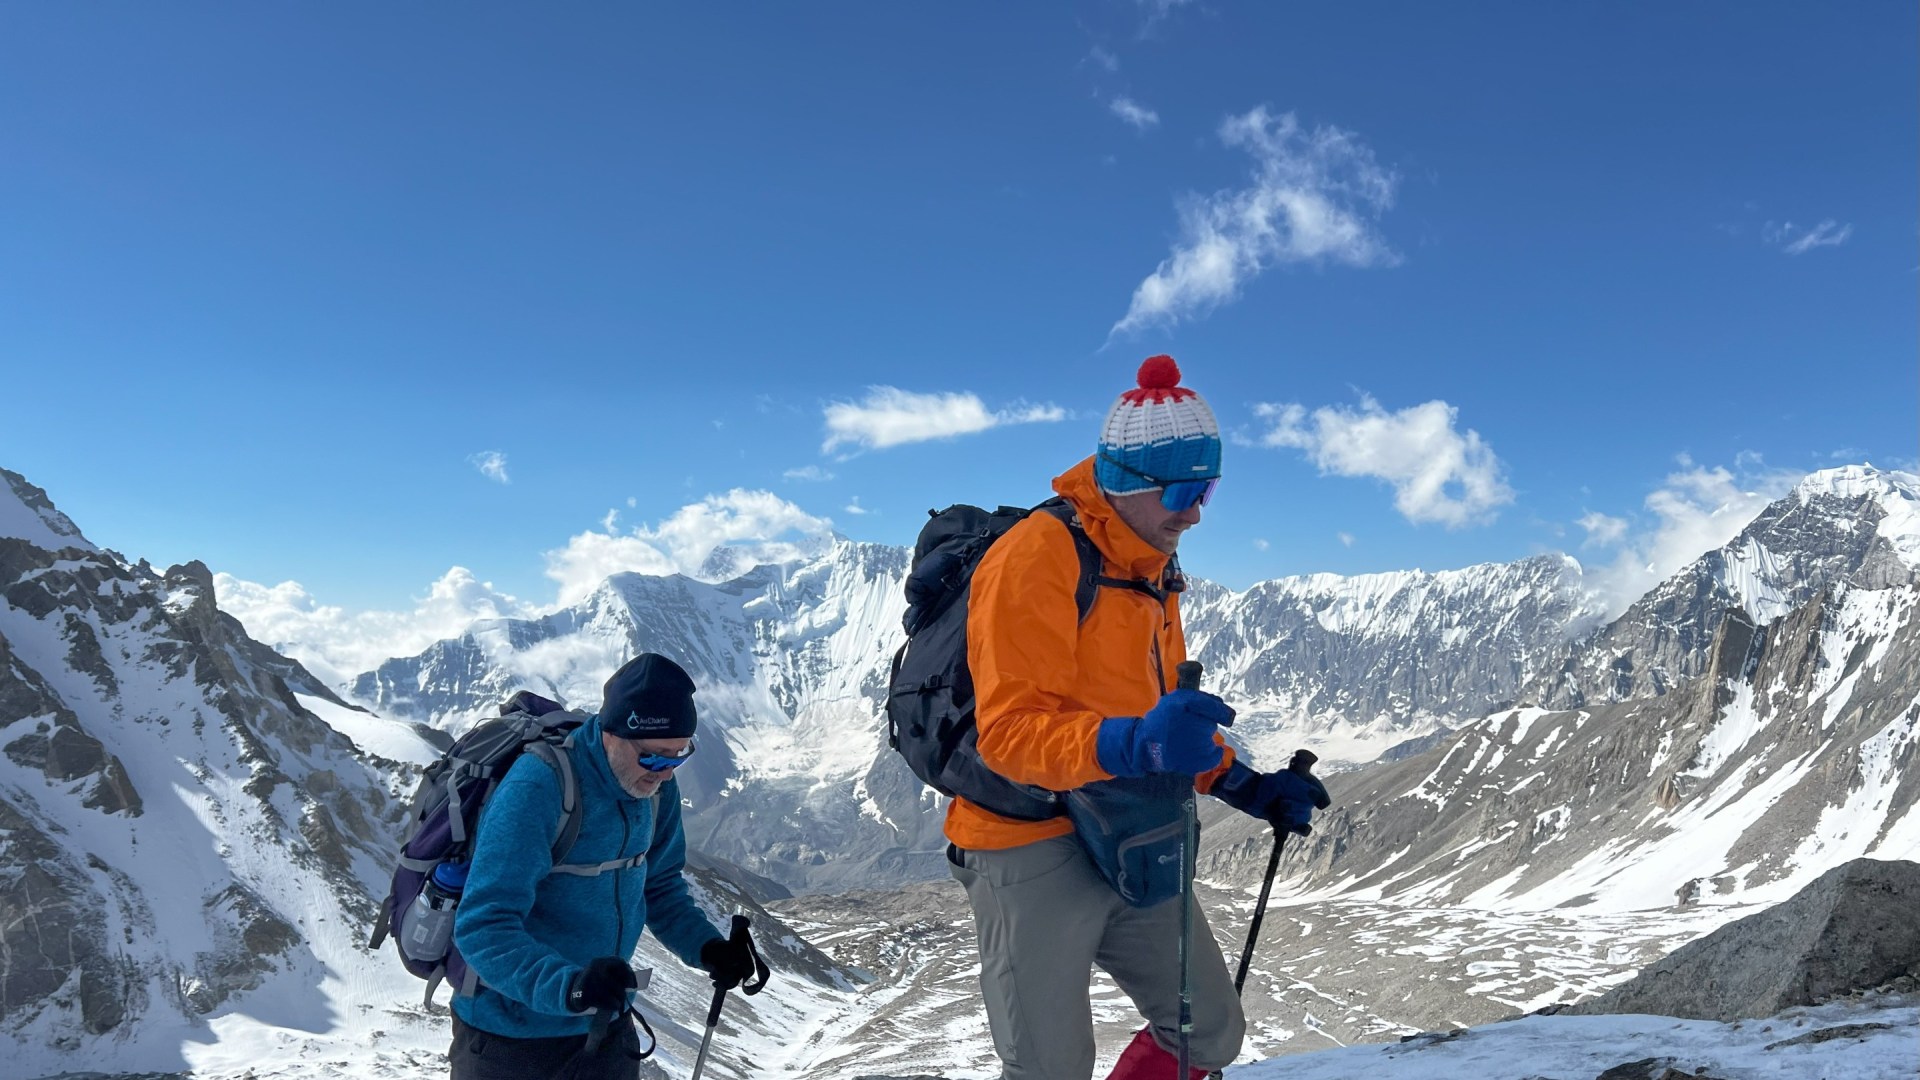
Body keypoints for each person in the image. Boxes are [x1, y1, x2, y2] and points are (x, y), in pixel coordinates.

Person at [948, 355, 1329, 1080]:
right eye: (1187, 490)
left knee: (1209, 1033)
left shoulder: (1152, 565)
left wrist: (1243, 785)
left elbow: (1158, 723)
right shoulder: (1036, 557)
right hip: (1028, 834)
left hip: (1127, 822)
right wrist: (1137, 745)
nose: (1197, 511)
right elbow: (1008, 736)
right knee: (1049, 1069)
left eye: (1208, 488)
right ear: (1128, 482)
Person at [447, 653, 764, 1080]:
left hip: (605, 1025)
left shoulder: (653, 790)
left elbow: (661, 886)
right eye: (654, 757)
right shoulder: (538, 788)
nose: (666, 774)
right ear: (612, 734)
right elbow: (483, 927)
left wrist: (708, 949)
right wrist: (570, 987)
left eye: (678, 756)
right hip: (508, 1039)